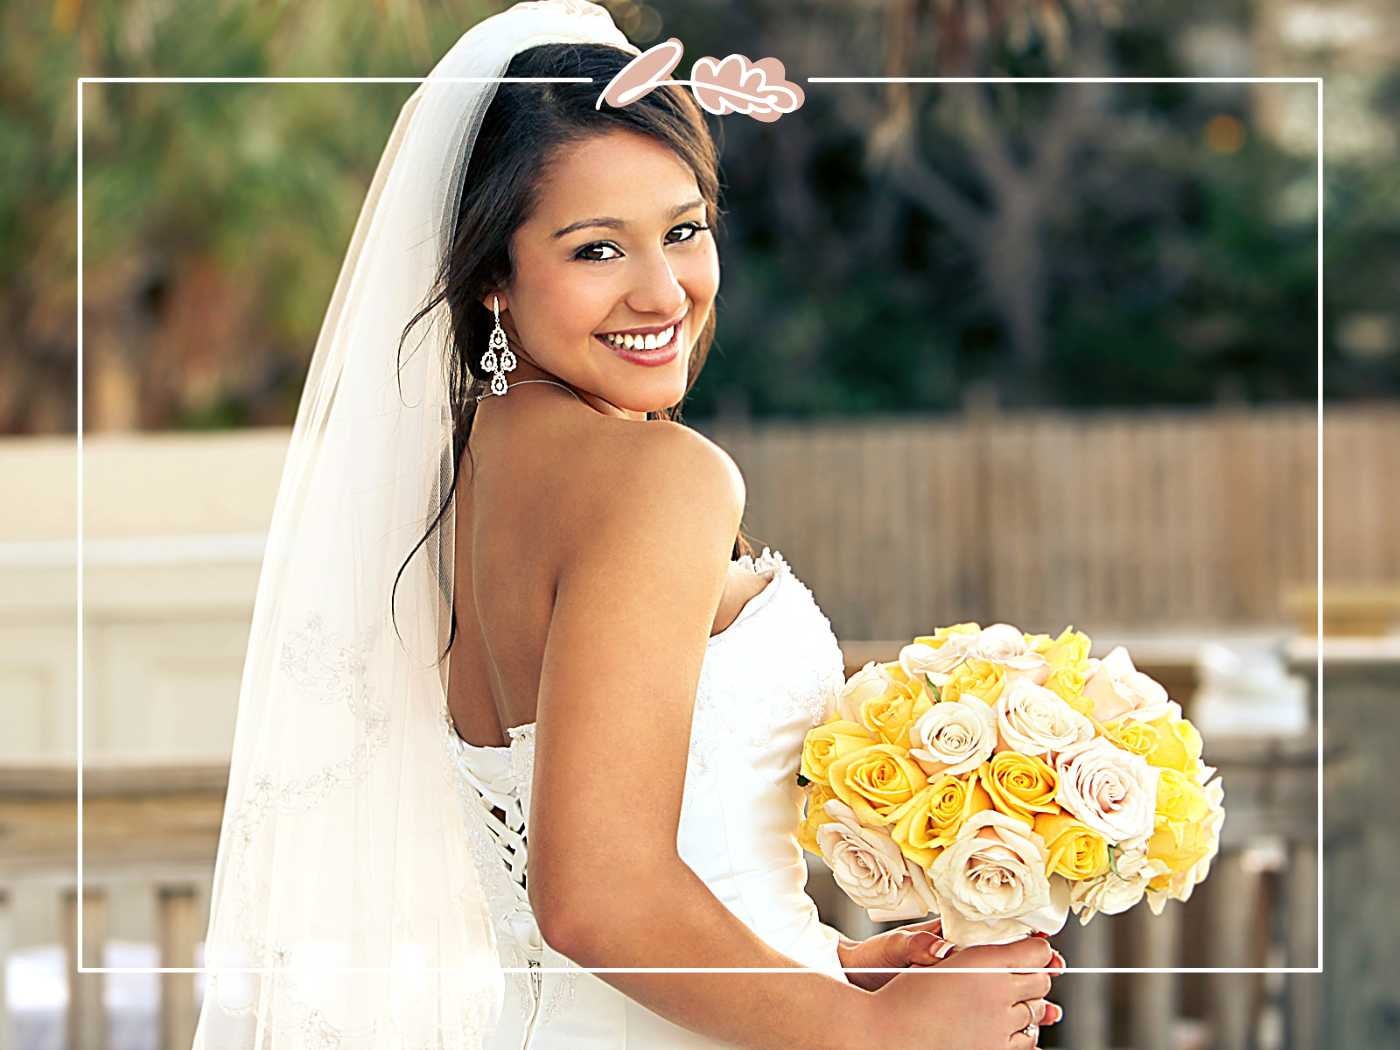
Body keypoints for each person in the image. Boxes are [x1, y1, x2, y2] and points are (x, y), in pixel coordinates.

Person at [193, 4, 1061, 1048]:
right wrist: (869, 1037)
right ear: (492, 279)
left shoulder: (461, 480)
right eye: (596, 248)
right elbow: (592, 896)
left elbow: (582, 855)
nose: (663, 291)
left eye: (683, 230)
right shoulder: (657, 481)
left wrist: (821, 963)